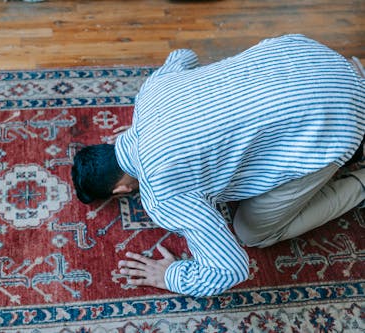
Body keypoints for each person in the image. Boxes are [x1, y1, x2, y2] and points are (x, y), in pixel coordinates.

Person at [71, 34, 365, 297]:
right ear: (109, 144)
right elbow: (184, 55)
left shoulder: (162, 198)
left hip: (335, 122)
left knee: (252, 233)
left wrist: (171, 275)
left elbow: (230, 270)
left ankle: (359, 179)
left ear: (121, 190)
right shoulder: (149, 93)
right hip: (307, 54)